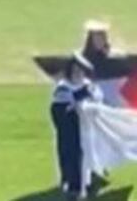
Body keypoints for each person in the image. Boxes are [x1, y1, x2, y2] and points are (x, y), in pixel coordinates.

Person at [50, 53, 101, 200]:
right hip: (69, 130)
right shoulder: (63, 87)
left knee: (88, 154)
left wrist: (89, 94)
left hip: (86, 129)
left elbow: (97, 99)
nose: (78, 74)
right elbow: (63, 101)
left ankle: (88, 183)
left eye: (80, 71)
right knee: (70, 155)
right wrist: (83, 94)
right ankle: (72, 186)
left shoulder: (88, 85)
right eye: (75, 71)